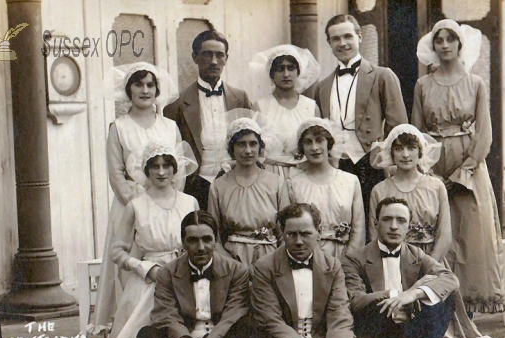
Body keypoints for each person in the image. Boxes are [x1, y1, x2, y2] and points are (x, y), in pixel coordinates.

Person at [370, 124, 505, 338]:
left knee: (440, 329)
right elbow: (375, 236)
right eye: (399, 148)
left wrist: (427, 269)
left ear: (420, 151)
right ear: (390, 153)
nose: (405, 155)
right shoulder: (380, 190)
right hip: (394, 262)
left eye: (411, 148)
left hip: (431, 259)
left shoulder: (435, 186)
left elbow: (445, 234)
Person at [412, 19, 505, 313]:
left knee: (470, 230)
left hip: (468, 166)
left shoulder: (475, 83)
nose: (444, 45)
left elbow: (485, 134)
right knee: (438, 228)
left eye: (449, 40)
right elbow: (417, 133)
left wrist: (464, 170)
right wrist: (428, 170)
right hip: (434, 165)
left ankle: (470, 299)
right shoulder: (423, 85)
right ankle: (439, 300)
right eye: (438, 40)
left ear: (459, 44)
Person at [86, 142, 199, 338]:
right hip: (150, 281)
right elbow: (117, 251)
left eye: (166, 165)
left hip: (184, 277)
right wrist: (145, 268)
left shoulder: (190, 202)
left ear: (175, 168)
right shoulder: (136, 206)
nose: (160, 172)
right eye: (154, 166)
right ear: (146, 171)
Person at [90, 62, 182, 337]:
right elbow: (117, 174)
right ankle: (127, 333)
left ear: (157, 90)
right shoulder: (118, 127)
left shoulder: (170, 126)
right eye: (138, 84)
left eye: (150, 85)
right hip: (131, 206)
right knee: (130, 269)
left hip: (167, 206)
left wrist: (168, 199)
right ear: (128, 90)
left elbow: (180, 169)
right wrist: (142, 203)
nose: (145, 90)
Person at [315, 14, 408, 242]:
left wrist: (391, 165)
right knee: (342, 226)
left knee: (375, 227)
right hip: (336, 164)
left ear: (359, 37)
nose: (342, 43)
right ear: (329, 43)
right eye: (335, 39)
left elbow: (398, 128)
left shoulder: (382, 76)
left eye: (348, 36)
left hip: (371, 163)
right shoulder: (323, 86)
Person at [342, 197, 458, 338]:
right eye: (387, 219)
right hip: (377, 335)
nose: (394, 226)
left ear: (409, 227)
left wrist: (412, 294)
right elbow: (356, 300)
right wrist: (396, 295)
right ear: (375, 223)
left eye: (401, 220)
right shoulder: (354, 258)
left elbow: (450, 279)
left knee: (447, 296)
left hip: (411, 330)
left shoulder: (415, 254)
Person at [136, 210, 250, 338]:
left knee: (249, 328)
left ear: (215, 241)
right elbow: (167, 316)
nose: (201, 247)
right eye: (193, 240)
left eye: (207, 239)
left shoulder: (236, 270)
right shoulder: (167, 273)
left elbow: (230, 318)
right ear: (183, 242)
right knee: (147, 335)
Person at [251, 203, 358, 338]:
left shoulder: (332, 266)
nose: (299, 241)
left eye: (305, 234)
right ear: (283, 234)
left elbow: (339, 312)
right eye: (292, 234)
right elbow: (269, 318)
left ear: (319, 233)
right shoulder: (265, 266)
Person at [164, 30, 252, 210]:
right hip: (196, 187)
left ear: (226, 59)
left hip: (236, 182)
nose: (213, 61)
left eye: (219, 55)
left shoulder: (240, 98)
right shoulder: (176, 105)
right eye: (207, 54)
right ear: (195, 57)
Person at [280, 118, 364, 259]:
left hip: (344, 257)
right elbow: (287, 228)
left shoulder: (350, 181)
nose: (314, 147)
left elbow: (359, 229)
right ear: (302, 147)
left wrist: (348, 262)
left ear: (329, 143)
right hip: (306, 257)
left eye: (319, 140)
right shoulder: (293, 184)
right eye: (308, 142)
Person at [208, 115, 282, 267]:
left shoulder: (276, 182)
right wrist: (234, 266)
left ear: (260, 147)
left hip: (271, 259)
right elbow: (214, 237)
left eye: (253, 144)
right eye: (241, 144)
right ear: (231, 148)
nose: (248, 150)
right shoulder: (218, 186)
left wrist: (273, 263)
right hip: (234, 260)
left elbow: (285, 232)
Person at [249, 44, 321, 180]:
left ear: (298, 72)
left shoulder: (311, 107)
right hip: (271, 174)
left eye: (291, 68)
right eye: (280, 69)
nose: (286, 74)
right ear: (272, 74)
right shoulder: (259, 107)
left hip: (306, 174)